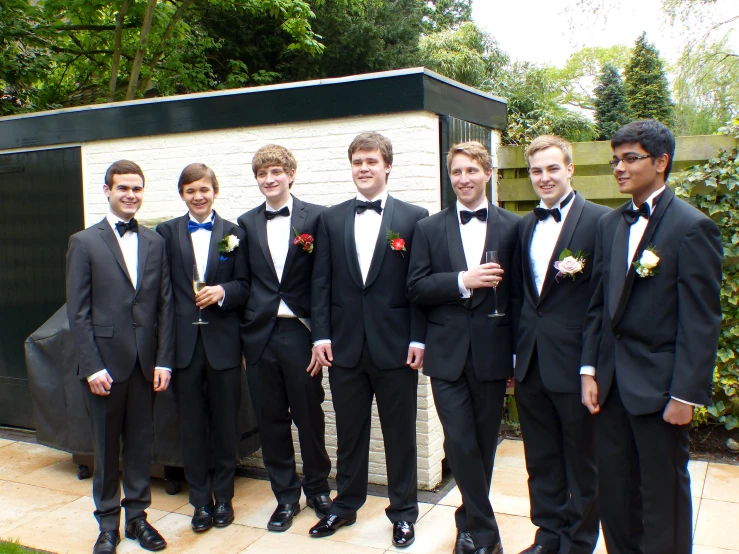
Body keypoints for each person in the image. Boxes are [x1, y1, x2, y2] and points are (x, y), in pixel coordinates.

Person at [581, 119, 723, 554]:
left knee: (663, 495)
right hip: (610, 385)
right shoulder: (608, 225)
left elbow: (701, 320)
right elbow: (597, 307)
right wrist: (589, 369)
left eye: (630, 158)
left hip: (661, 389)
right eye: (615, 160)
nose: (619, 168)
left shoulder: (692, 227)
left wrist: (686, 394)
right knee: (616, 491)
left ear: (661, 162)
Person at [309, 132, 428, 548]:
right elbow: (320, 282)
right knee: (350, 432)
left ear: (387, 166)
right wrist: (320, 335)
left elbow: (418, 286)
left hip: (396, 348)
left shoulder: (415, 217)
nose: (364, 168)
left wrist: (419, 339)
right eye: (358, 161)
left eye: (372, 161)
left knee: (400, 435)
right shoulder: (330, 218)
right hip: (343, 348)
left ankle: (404, 514)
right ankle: (345, 506)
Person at [406, 141, 522, 554]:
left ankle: (468, 526)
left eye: (471, 170)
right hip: (447, 353)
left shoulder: (513, 226)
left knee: (483, 444)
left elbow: (520, 298)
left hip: (493, 353)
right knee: (459, 441)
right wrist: (462, 280)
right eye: (456, 172)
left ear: (488, 173)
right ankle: (486, 534)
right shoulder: (429, 228)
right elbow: (416, 287)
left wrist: (515, 354)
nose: (463, 179)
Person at [66, 160, 175, 554]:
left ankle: (138, 520)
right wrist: (92, 365)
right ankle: (107, 525)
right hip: (104, 367)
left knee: (141, 446)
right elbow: (77, 312)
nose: (131, 195)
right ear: (107, 190)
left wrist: (164, 360)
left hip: (146, 365)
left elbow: (164, 305)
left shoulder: (155, 242)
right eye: (123, 188)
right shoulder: (84, 242)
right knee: (107, 448)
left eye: (137, 188)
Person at [514, 135, 608, 554]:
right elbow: (521, 298)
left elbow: (602, 304)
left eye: (553, 168)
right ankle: (547, 536)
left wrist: (591, 367)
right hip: (531, 364)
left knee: (583, 463)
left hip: (575, 366)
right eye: (537, 170)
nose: (544, 177)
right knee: (541, 461)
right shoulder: (525, 225)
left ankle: (578, 542)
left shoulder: (601, 222)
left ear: (570, 168)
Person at [237, 145, 332, 532]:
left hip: (300, 333)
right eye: (262, 174)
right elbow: (243, 283)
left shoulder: (318, 218)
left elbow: (324, 282)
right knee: (271, 419)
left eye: (276, 171)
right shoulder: (244, 223)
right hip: (259, 336)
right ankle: (286, 497)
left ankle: (319, 488)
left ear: (291, 173)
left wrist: (321, 337)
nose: (269, 179)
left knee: (309, 415)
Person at [155, 163, 248, 533]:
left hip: (224, 345)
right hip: (183, 347)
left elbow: (246, 284)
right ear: (182, 194)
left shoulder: (234, 233)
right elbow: (161, 289)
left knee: (226, 425)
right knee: (191, 428)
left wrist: (224, 291)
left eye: (204, 190)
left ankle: (224, 497)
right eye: (191, 190)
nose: (198, 196)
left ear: (215, 191)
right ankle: (199, 503)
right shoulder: (165, 232)